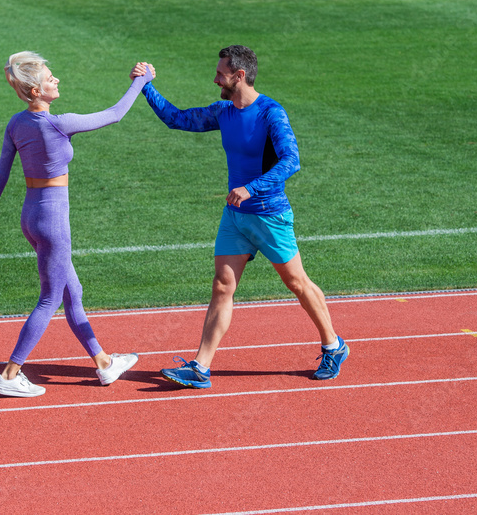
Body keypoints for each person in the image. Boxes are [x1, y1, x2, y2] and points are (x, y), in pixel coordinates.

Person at [130, 45, 348, 389]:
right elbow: (177, 118)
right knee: (222, 286)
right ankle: (201, 367)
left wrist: (252, 188)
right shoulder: (223, 112)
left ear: (239, 75)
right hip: (235, 218)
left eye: (221, 74)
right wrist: (145, 86)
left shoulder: (270, 113)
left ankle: (333, 346)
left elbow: (291, 160)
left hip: (269, 215)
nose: (215, 78)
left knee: (296, 282)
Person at [0, 51, 152, 397]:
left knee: (73, 292)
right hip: (53, 221)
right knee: (49, 299)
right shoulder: (59, 123)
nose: (55, 80)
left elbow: (0, 177)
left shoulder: (17, 124)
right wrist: (142, 81)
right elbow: (115, 114)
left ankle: (104, 363)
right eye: (49, 78)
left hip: (30, 217)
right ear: (35, 92)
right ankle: (10, 374)